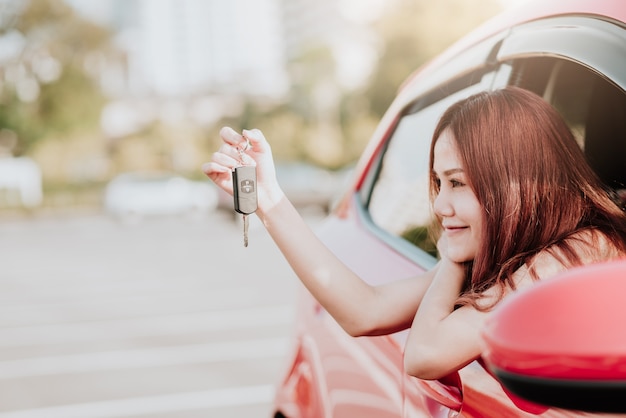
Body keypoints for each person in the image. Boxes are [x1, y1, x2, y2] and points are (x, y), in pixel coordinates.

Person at [202, 86, 626, 381]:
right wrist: (269, 198)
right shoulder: (506, 253)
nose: (440, 206)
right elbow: (364, 311)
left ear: (518, 181)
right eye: (439, 184)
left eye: (458, 183)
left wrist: (453, 256)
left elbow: (425, 356)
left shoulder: (580, 251)